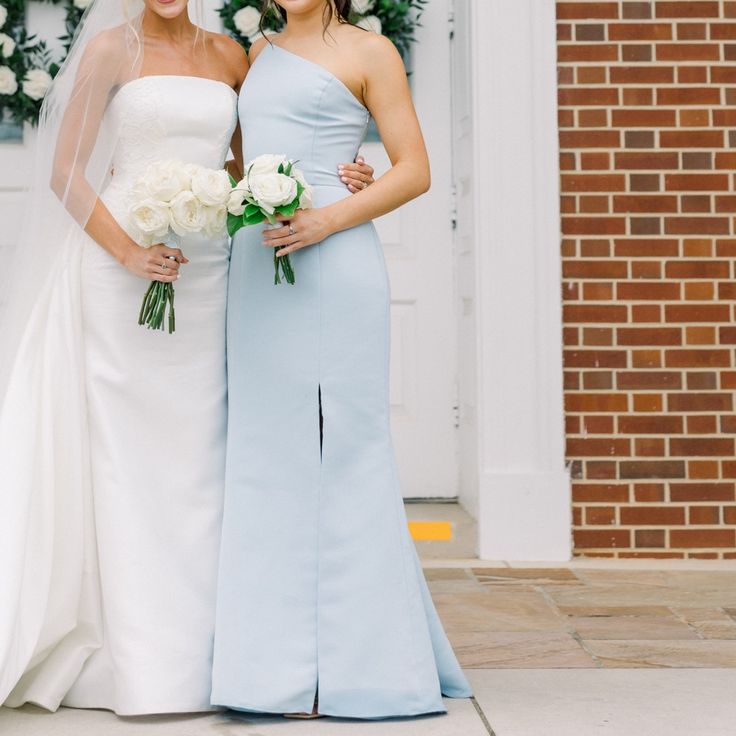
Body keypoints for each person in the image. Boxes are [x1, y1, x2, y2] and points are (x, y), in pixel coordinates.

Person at [0, 0, 372, 715]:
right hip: (122, 271)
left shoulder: (234, 57)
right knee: (127, 456)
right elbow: (67, 173)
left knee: (201, 459)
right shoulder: (111, 49)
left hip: (208, 276)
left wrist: (341, 175)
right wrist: (131, 251)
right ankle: (134, 663)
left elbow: (254, 168)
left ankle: (213, 655)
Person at [212, 0, 471, 719]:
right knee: (267, 452)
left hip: (338, 258)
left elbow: (414, 169)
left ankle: (363, 668)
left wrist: (330, 209)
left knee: (345, 447)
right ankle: (274, 674)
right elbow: (240, 159)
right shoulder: (257, 55)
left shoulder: (370, 50)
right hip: (258, 265)